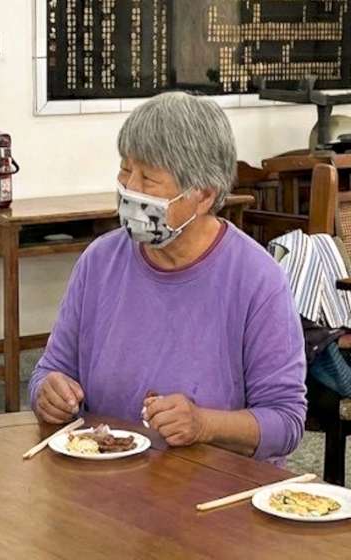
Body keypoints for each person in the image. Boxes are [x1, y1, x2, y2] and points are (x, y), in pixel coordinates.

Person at [29, 91, 306, 463]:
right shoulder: (100, 261)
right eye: (125, 169)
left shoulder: (257, 279)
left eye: (148, 178)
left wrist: (204, 425)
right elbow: (50, 370)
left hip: (216, 484)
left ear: (203, 195)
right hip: (108, 478)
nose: (130, 188)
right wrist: (47, 393)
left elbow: (286, 422)